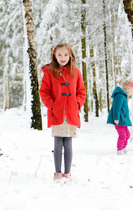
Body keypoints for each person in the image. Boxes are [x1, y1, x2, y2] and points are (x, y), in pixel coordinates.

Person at [39, 43, 87, 181]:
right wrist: (52, 106)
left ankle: (67, 173)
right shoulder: (49, 73)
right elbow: (44, 91)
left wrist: (77, 103)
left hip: (71, 113)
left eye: (66, 54)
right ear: (54, 55)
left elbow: (81, 91)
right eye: (59, 54)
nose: (63, 57)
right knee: (58, 142)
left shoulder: (75, 72)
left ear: (70, 55)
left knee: (69, 143)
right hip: (57, 113)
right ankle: (57, 173)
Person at [106, 80, 133, 155]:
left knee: (127, 135)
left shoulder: (123, 96)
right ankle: (119, 150)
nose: (131, 93)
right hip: (119, 120)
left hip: (123, 120)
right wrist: (116, 118)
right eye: (131, 91)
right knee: (122, 135)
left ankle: (124, 148)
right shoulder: (119, 96)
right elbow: (116, 108)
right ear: (127, 88)